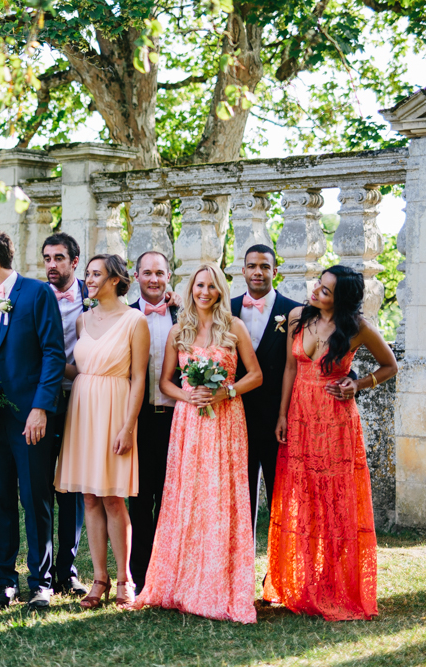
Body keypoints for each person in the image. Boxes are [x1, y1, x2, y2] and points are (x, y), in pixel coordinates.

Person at [264, 265, 397, 621]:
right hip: (299, 417)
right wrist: (281, 415)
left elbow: (390, 366)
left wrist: (358, 384)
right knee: (302, 499)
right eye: (318, 285)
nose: (316, 292)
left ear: (343, 299)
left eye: (326, 290)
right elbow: (292, 369)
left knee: (334, 502)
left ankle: (332, 583)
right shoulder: (297, 316)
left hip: (336, 422)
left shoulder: (358, 328)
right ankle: (301, 582)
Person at [134, 263, 262, 624]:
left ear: (220, 290)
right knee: (189, 496)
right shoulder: (180, 330)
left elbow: (256, 374)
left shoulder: (234, 327)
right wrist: (187, 397)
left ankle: (220, 585)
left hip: (226, 420)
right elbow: (165, 383)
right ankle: (182, 582)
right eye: (199, 285)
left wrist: (227, 391)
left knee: (220, 497)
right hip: (189, 422)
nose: (205, 292)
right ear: (191, 289)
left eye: (211, 286)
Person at [0, 229, 66, 610]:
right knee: (1, 497)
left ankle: (41, 582)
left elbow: (53, 353)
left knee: (35, 497)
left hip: (32, 417)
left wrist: (41, 408)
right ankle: (6, 580)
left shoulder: (37, 293)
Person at [55, 254, 149, 609]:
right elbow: (78, 368)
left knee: (113, 497)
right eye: (88, 274)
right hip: (82, 409)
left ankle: (125, 580)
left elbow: (139, 378)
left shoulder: (134, 321)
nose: (88, 280)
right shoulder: (81, 320)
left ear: (114, 280)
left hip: (115, 408)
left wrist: (128, 426)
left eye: (95, 274)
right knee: (89, 497)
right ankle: (99, 579)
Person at [229, 244, 302, 535]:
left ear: (276, 271)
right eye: (252, 266)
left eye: (264, 267)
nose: (258, 272)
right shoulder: (227, 309)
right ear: (243, 270)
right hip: (236, 415)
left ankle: (278, 572)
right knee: (239, 497)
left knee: (280, 497)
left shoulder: (294, 311)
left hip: (277, 417)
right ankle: (240, 568)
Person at [127, 251, 179, 596]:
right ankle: (141, 578)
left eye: (160, 273)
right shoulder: (125, 316)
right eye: (147, 273)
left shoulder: (186, 317)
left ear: (169, 276)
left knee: (174, 501)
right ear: (135, 277)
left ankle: (172, 574)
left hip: (178, 420)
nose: (154, 279)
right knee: (141, 501)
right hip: (139, 419)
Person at [40, 232, 88, 597]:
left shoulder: (95, 294)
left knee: (72, 486)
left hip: (86, 401)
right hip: (45, 401)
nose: (51, 265)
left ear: (74, 262)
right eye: (47, 258)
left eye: (59, 258)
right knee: (41, 485)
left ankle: (67, 570)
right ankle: (41, 572)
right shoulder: (32, 296)